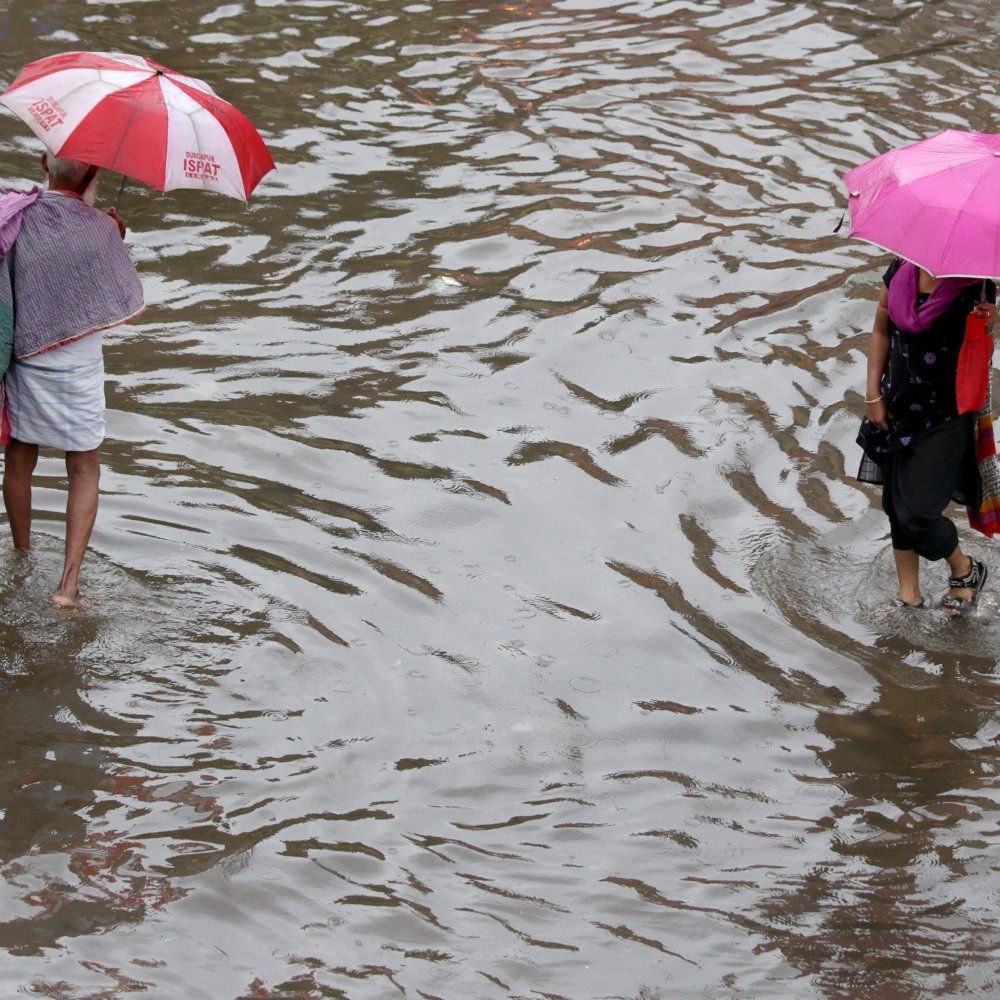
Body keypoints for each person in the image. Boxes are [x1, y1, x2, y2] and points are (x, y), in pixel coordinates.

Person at [0, 153, 144, 607]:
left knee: (20, 459)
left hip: (25, 359)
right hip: (78, 370)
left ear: (46, 164)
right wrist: (114, 237)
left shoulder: (18, 216)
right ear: (94, 175)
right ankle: (67, 586)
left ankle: (21, 555)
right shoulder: (102, 227)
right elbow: (110, 294)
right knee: (83, 469)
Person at [857, 258, 997, 616]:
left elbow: (980, 352)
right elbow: (881, 330)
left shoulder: (974, 285)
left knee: (917, 513)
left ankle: (965, 570)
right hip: (896, 405)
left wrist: (990, 325)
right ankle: (910, 595)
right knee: (894, 504)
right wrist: (873, 393)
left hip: (946, 415)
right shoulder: (901, 270)